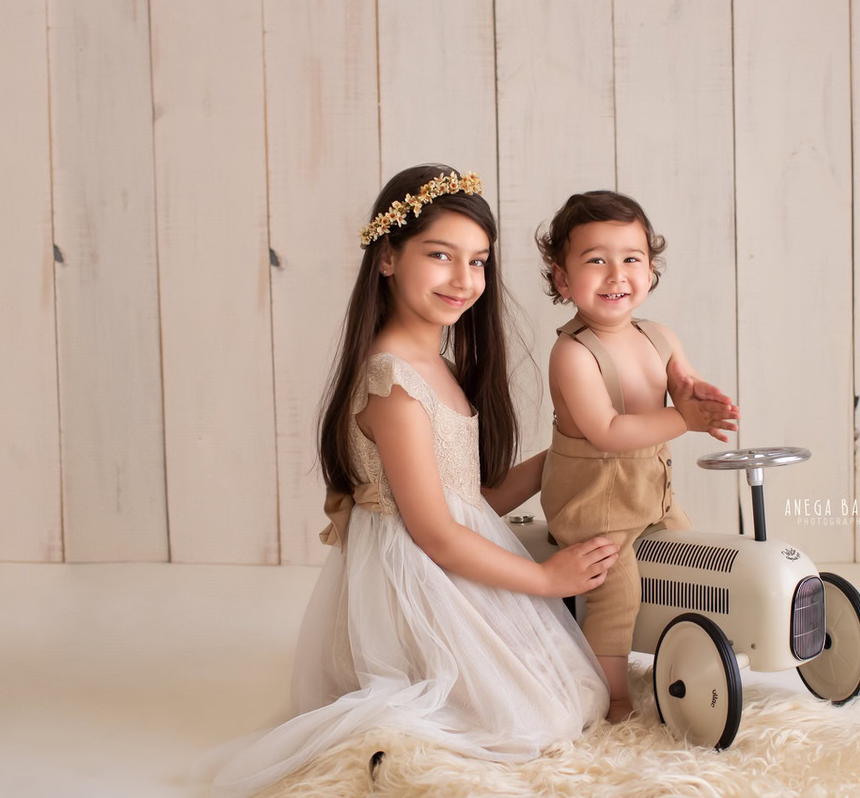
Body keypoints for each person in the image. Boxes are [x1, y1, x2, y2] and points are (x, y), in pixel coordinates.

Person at [191, 165, 619, 797]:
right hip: (416, 573)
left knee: (576, 694)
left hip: (453, 552)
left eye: (477, 261)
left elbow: (469, 501)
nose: (463, 279)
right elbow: (435, 532)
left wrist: (564, 455)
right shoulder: (393, 381)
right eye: (440, 255)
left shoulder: (436, 362)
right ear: (388, 257)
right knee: (531, 721)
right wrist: (546, 580)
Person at [536, 190, 739, 722]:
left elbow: (683, 385)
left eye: (631, 259)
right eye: (595, 261)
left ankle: (689, 652)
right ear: (562, 279)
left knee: (690, 560)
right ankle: (612, 697)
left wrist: (698, 395)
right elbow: (606, 431)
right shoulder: (573, 353)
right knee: (617, 590)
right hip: (595, 502)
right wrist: (685, 420)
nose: (616, 274)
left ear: (650, 271)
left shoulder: (660, 336)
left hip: (650, 491)